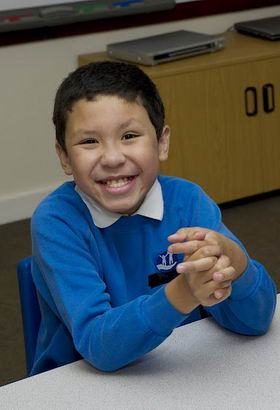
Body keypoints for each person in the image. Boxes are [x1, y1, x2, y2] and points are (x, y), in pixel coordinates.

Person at [31, 61, 276, 376]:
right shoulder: (57, 222)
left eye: (129, 135)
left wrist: (238, 264)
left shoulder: (188, 201)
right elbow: (99, 348)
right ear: (64, 156)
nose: (113, 157)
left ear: (162, 142)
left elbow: (255, 321)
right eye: (89, 141)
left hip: (176, 370)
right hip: (82, 382)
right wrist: (183, 293)